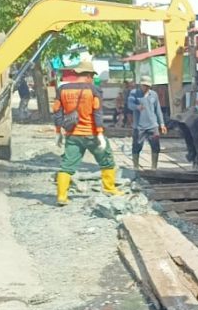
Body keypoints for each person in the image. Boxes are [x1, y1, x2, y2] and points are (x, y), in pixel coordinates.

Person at [52, 61, 123, 206]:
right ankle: (109, 189)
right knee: (107, 160)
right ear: (89, 76)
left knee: (67, 165)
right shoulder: (94, 90)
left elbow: (57, 111)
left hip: (72, 135)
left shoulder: (62, 90)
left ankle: (61, 196)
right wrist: (100, 134)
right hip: (92, 134)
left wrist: (58, 131)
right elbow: (97, 113)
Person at [128, 75, 167, 170]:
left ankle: (154, 167)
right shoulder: (134, 93)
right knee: (137, 146)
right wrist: (137, 107)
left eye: (148, 86)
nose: (146, 87)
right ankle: (136, 167)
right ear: (140, 85)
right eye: (144, 85)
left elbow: (158, 110)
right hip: (139, 126)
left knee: (155, 146)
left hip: (152, 125)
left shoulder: (154, 94)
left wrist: (162, 123)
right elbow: (130, 105)